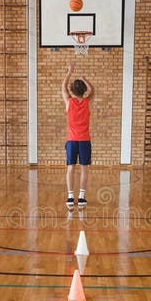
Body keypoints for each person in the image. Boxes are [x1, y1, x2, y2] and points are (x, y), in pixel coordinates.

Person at [61, 63, 94, 209]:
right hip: (84, 141)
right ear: (84, 90)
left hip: (72, 141)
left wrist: (69, 72)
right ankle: (81, 197)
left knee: (71, 168)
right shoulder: (87, 102)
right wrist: (85, 79)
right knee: (84, 169)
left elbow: (63, 87)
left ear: (72, 90)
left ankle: (70, 197)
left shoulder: (69, 102)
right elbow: (93, 90)